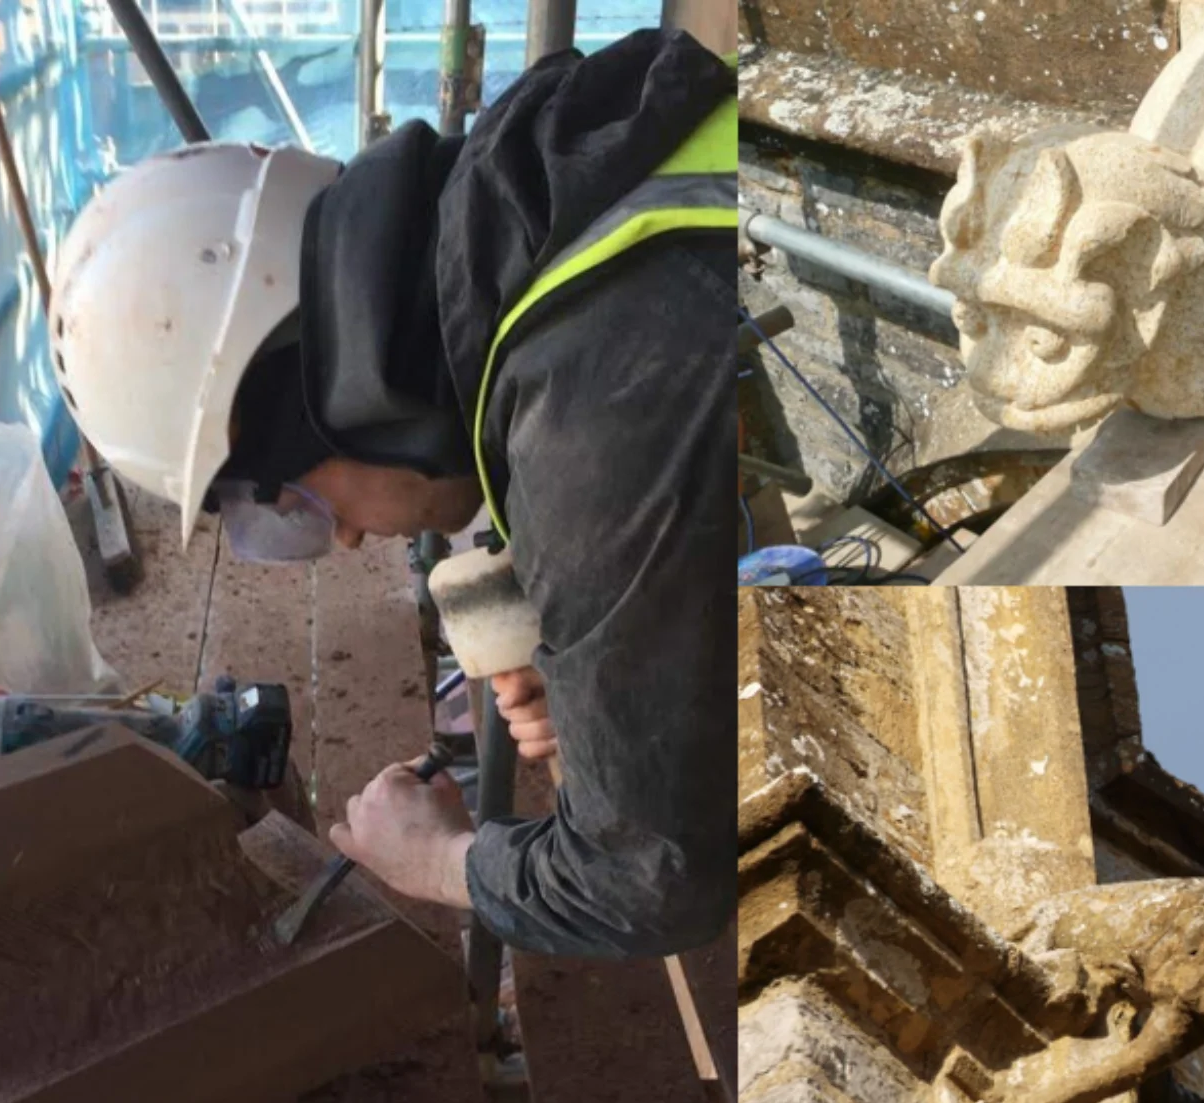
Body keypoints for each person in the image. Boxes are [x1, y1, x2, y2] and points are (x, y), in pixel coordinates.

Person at [50, 30, 735, 957]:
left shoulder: (588, 425)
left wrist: (442, 860)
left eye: (295, 509)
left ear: (334, 405)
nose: (343, 540)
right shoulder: (536, 182)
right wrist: (611, 652)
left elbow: (649, 887)